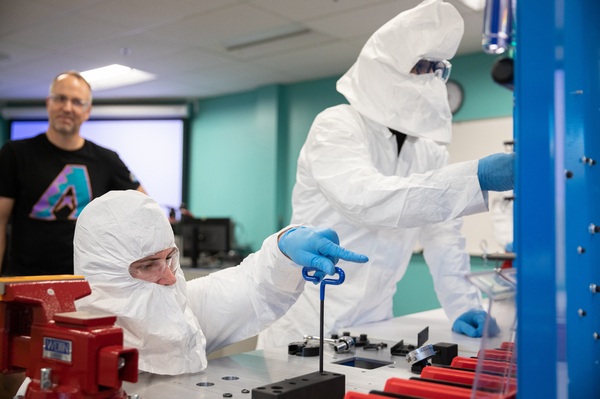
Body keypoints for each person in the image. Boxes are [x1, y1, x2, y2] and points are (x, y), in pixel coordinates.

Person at [257, 0, 515, 349]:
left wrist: (461, 304)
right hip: (307, 317)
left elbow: (443, 236)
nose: (429, 76)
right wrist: (477, 176)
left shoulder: (429, 150)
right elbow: (366, 199)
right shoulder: (337, 125)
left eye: (436, 68)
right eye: (419, 66)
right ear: (384, 69)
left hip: (376, 322)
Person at [72, 190, 368, 375]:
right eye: (149, 265)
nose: (171, 277)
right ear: (106, 273)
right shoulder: (64, 354)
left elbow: (251, 287)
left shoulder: (180, 308)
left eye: (170, 258)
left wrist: (283, 250)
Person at [0, 71, 145, 277]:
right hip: (25, 281)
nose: (67, 108)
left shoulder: (107, 160)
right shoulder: (15, 153)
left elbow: (145, 208)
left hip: (87, 283)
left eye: (77, 102)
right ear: (48, 103)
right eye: (60, 98)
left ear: (87, 111)